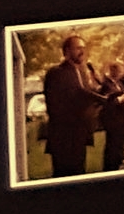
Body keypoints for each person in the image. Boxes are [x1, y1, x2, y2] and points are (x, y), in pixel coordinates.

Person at [39, 35, 96, 174]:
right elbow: (54, 107)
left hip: (80, 136)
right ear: (66, 51)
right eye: (78, 48)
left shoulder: (82, 73)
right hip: (63, 139)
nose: (82, 51)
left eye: (83, 48)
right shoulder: (56, 73)